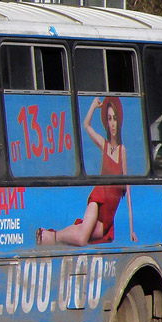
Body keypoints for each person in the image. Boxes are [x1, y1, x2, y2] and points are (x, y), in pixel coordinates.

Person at [37, 96, 136, 246]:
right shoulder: (104, 145)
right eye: (109, 119)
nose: (112, 124)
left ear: (119, 121)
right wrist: (93, 106)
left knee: (84, 232)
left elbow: (127, 189)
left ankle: (50, 235)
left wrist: (131, 230)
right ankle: (50, 237)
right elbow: (86, 125)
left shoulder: (122, 151)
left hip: (108, 214)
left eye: (115, 118)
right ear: (106, 122)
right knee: (83, 238)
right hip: (99, 198)